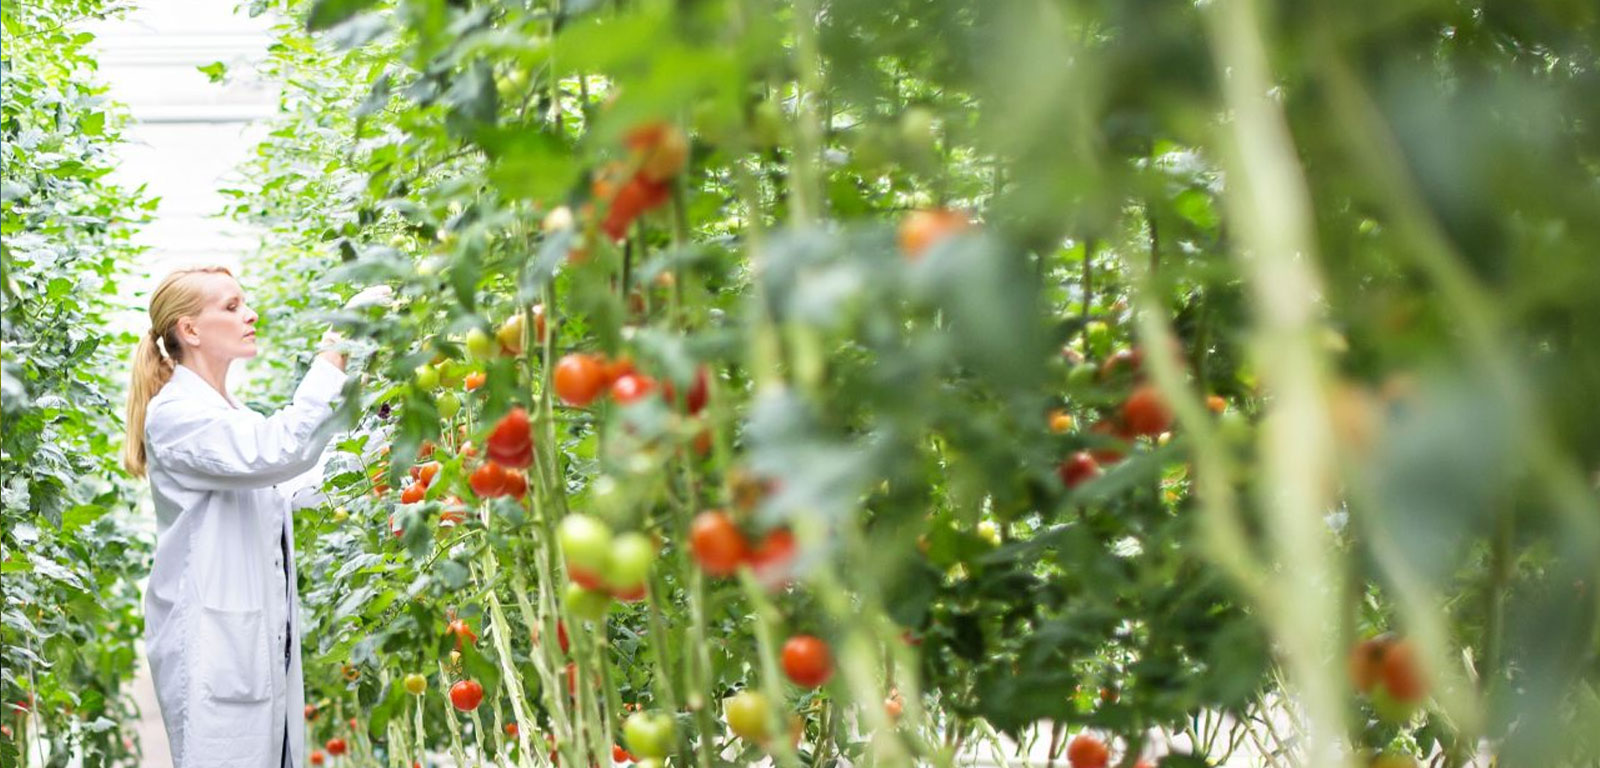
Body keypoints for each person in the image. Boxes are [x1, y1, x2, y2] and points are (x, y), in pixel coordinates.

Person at [122, 266, 388, 768]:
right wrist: (333, 353)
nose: (250, 314)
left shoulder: (229, 414)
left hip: (255, 647)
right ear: (190, 330)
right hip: (215, 651)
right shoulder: (177, 413)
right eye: (231, 306)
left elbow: (294, 487)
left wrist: (386, 427)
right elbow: (280, 449)